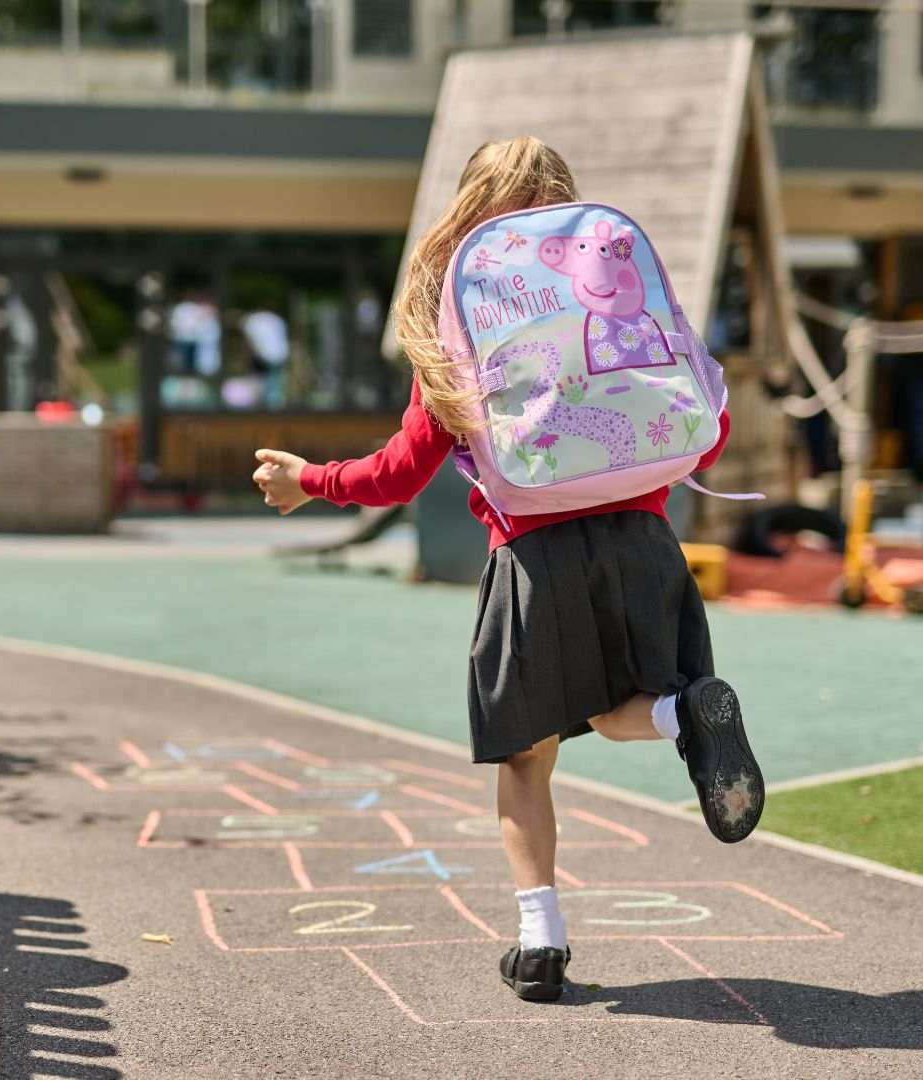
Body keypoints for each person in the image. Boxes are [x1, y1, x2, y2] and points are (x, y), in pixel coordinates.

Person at [251, 137, 764, 1003]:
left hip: (535, 556)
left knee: (525, 759)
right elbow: (702, 428)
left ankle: (540, 945)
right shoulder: (613, 285)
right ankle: (685, 713)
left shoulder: (463, 313)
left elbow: (402, 473)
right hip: (645, 543)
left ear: (468, 206)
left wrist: (311, 481)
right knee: (610, 709)